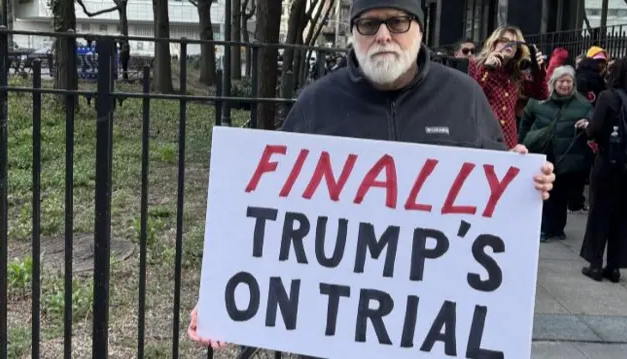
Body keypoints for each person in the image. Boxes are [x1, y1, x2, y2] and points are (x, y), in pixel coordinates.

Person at [188, 0, 556, 352]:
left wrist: (523, 181)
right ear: (353, 33)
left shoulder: (465, 98)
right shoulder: (318, 103)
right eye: (369, 23)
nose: (383, 35)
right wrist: (221, 298)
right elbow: (271, 216)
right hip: (336, 341)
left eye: (397, 21)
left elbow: (495, 196)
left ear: (419, 29)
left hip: (435, 333)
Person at [518, 66, 593, 243]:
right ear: (554, 82)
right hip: (544, 154)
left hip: (567, 157)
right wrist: (521, 143)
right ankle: (543, 228)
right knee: (543, 195)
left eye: (569, 81)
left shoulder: (582, 104)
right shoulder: (539, 101)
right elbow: (525, 122)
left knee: (561, 195)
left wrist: (588, 122)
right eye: (562, 81)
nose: (565, 85)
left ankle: (558, 228)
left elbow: (593, 119)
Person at [579, 56, 627, 283]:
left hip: (608, 163)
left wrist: (586, 126)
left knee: (600, 211)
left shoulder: (608, 97)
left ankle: (595, 263)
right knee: (626, 216)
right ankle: (614, 266)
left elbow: (594, 130)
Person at [469, 26, 549, 149]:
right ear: (494, 42)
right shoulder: (477, 64)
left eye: (514, 43)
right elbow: (473, 95)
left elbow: (542, 94)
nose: (509, 45)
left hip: (508, 138)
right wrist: (487, 68)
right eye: (504, 40)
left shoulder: (517, 72)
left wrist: (538, 70)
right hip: (483, 134)